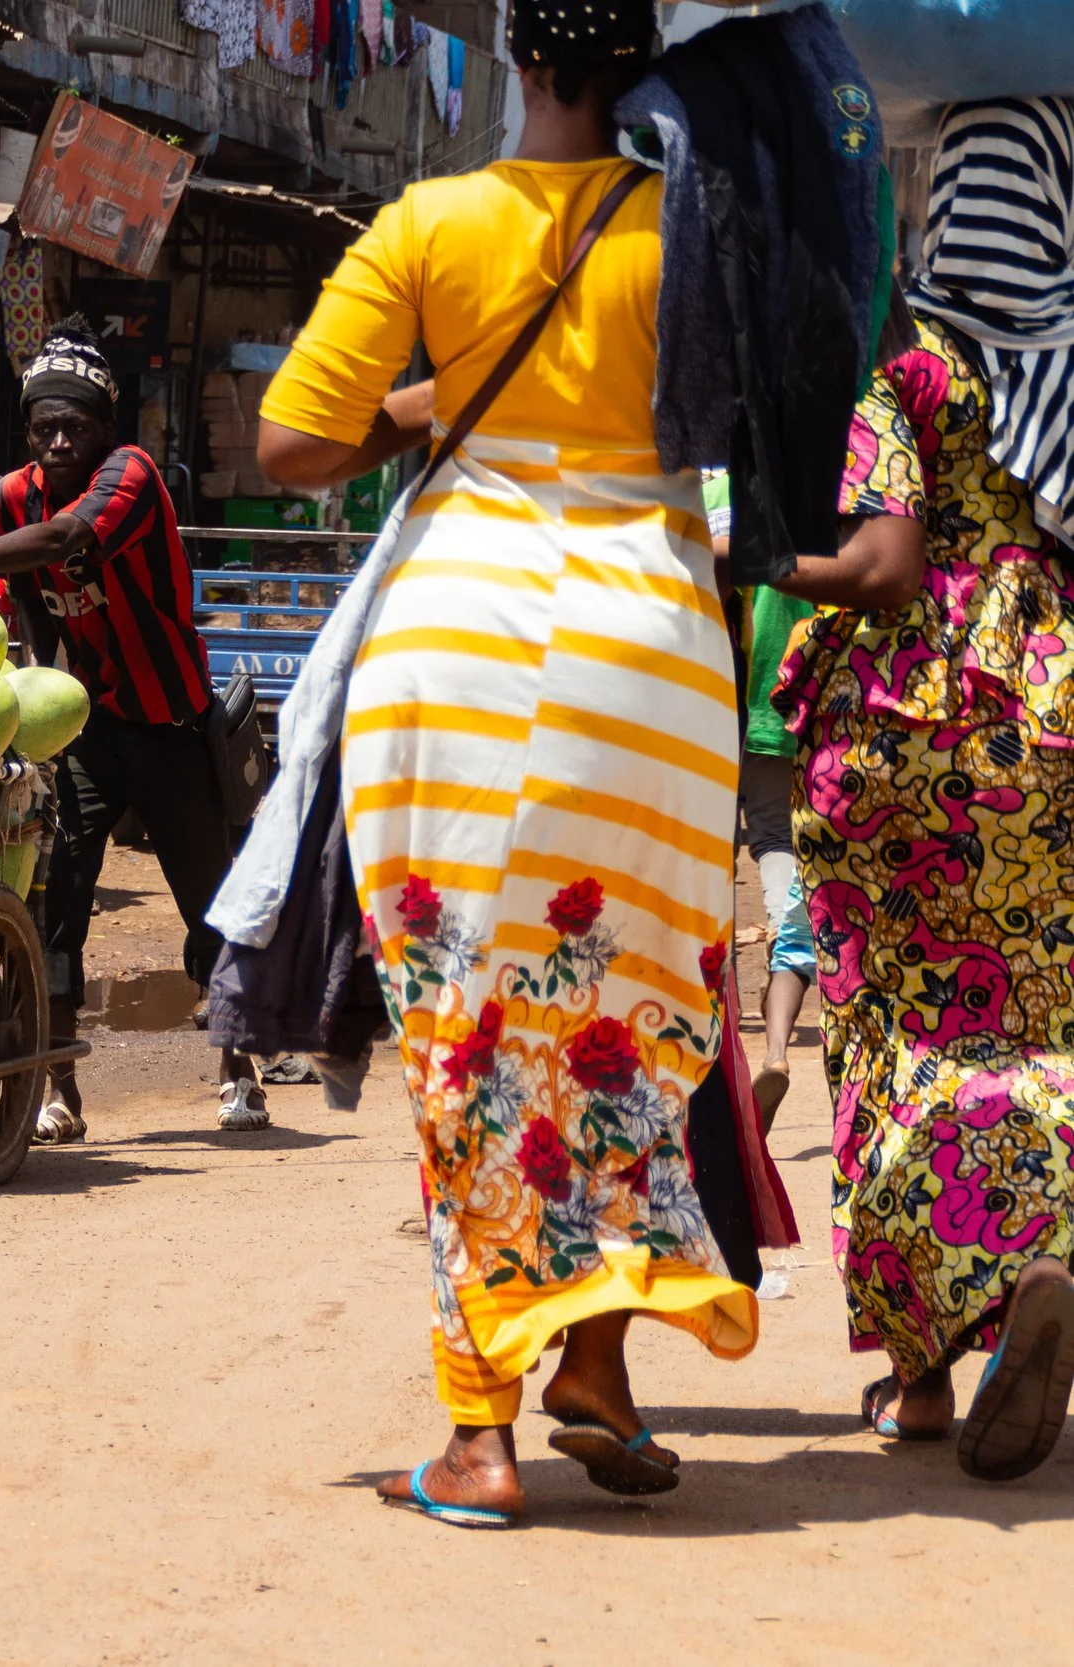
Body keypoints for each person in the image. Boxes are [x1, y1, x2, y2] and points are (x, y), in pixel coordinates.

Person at [254, 0, 758, 1528]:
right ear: (641, 65)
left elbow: (290, 442)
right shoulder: (706, 231)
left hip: (456, 645)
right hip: (650, 656)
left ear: (523, 60)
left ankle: (480, 1433)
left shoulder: (428, 221)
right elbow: (757, 422)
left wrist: (431, 402)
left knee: (470, 1036)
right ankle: (596, 1358)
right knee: (623, 1018)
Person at [773, 96, 1074, 1480]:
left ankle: (918, 1377)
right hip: (1054, 724)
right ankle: (1036, 1264)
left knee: (892, 1025)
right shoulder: (1067, 377)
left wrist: (778, 565)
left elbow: (885, 568)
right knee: (1035, 1019)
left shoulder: (911, 373)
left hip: (906, 730)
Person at [0, 318, 230, 1142]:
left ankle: (237, 1066)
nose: (61, 440)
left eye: (76, 425)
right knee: (59, 896)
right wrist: (51, 703)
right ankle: (58, 1085)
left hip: (171, 719)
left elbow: (68, 540)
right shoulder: (11, 495)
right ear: (29, 429)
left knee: (204, 898)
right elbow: (37, 605)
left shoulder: (132, 474)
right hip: (93, 721)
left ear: (106, 428)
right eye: (46, 427)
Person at [710, 469, 817, 1132]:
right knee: (790, 857)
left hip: (739, 703)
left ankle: (719, 1039)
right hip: (813, 702)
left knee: (731, 854)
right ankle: (776, 1047)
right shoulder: (830, 483)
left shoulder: (725, 494)